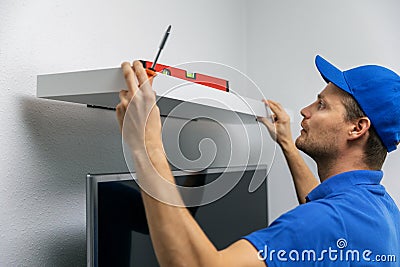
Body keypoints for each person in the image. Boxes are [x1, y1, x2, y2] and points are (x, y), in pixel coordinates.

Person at [116, 55, 400, 266]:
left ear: (357, 128)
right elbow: (322, 209)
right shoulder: (379, 208)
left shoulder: (327, 221)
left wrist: (146, 145)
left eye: (322, 105)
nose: (305, 110)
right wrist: (287, 144)